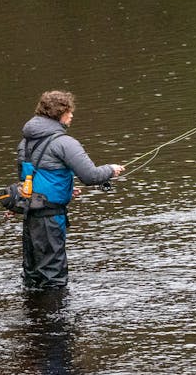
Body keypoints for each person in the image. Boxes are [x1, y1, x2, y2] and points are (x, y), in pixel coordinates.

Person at [16, 90, 124, 289]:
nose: (72, 115)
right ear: (58, 113)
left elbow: (29, 177)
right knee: (53, 277)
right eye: (68, 111)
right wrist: (111, 170)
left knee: (32, 275)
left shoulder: (26, 141)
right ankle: (55, 318)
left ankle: (35, 315)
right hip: (50, 219)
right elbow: (90, 176)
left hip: (30, 215)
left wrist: (66, 188)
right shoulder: (64, 143)